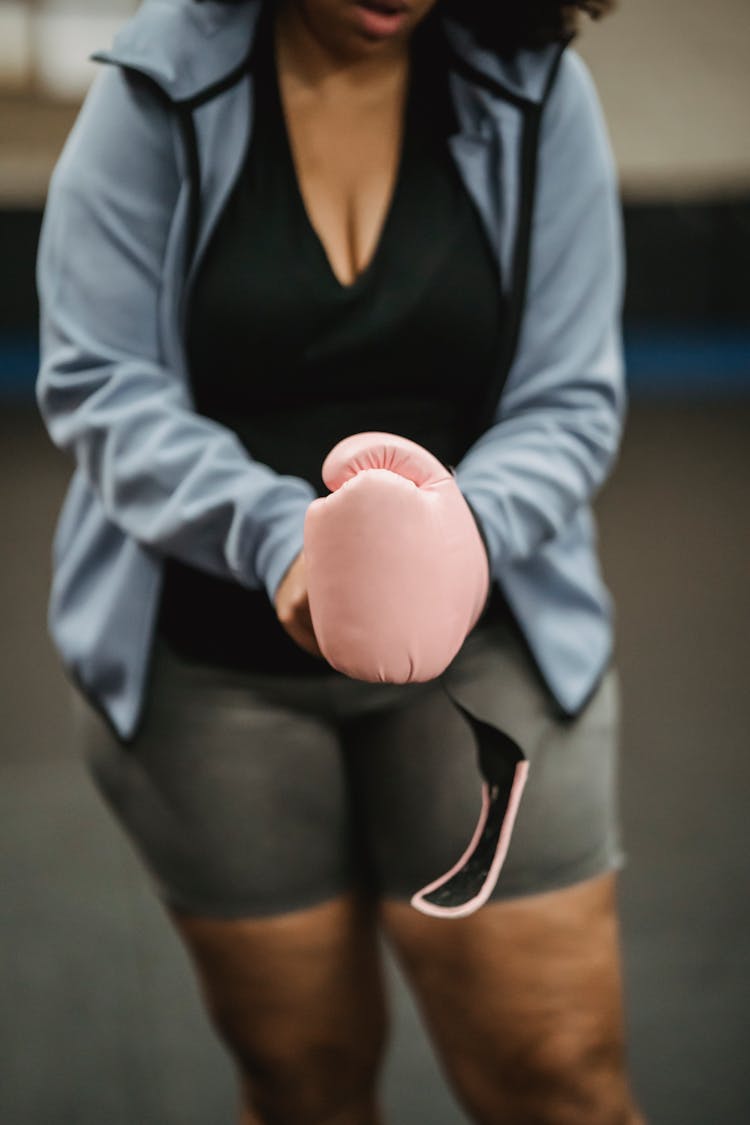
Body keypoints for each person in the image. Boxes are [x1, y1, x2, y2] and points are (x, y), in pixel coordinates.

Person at [36, 0, 646, 1120]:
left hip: (486, 639)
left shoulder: (539, 91)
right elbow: (102, 389)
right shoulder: (153, 90)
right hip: (211, 669)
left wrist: (454, 535)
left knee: (558, 1077)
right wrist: (285, 544)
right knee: (303, 1082)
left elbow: (570, 401)